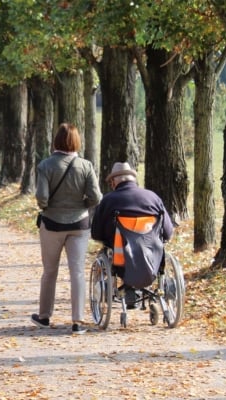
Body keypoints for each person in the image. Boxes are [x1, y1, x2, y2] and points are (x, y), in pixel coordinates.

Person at [31, 123, 102, 335]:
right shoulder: (86, 165)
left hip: (52, 224)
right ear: (76, 142)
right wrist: (81, 206)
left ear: (56, 141)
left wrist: (48, 207)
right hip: (79, 225)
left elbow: (41, 197)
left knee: (49, 271)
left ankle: (44, 316)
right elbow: (96, 197)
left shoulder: (46, 166)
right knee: (77, 272)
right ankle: (77, 321)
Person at [91, 162, 174, 307]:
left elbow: (96, 233)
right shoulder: (153, 198)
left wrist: (108, 239)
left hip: (120, 259)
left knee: (111, 249)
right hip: (153, 258)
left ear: (113, 182)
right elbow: (167, 232)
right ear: (133, 180)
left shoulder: (108, 200)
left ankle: (126, 290)